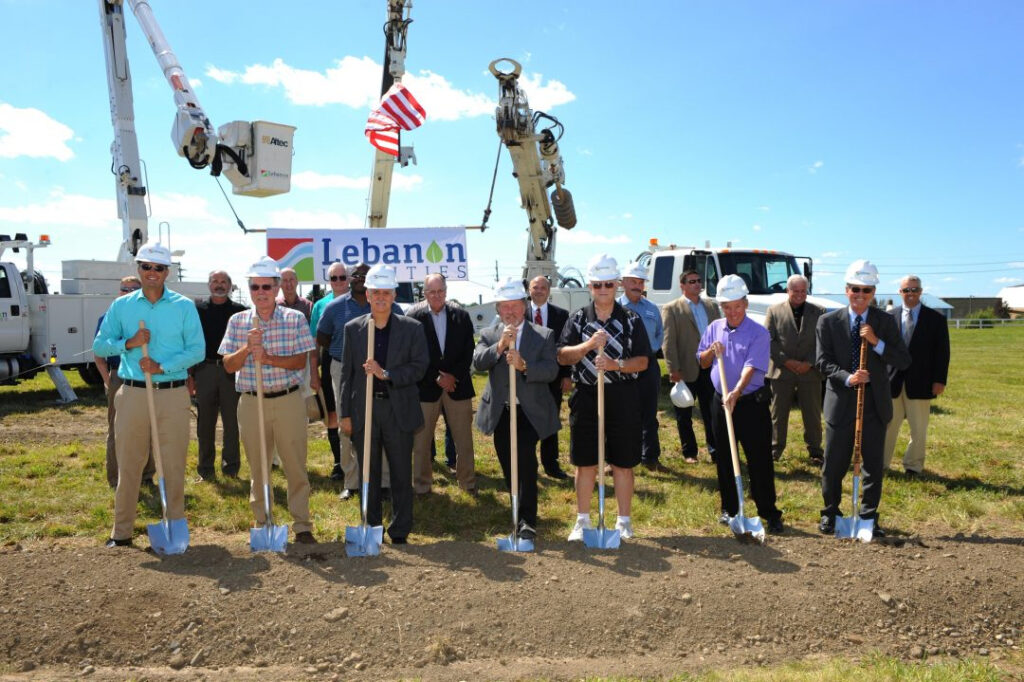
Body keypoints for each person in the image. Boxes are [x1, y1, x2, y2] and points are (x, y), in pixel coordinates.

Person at [92, 240, 204, 548]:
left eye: (158, 268)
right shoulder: (122, 306)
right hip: (132, 393)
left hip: (172, 393)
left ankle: (174, 525)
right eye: (146, 267)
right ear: (138, 269)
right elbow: (100, 346)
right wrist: (128, 343)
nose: (151, 272)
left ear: (167, 272)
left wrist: (162, 366)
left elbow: (197, 350)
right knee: (130, 462)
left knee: (173, 462)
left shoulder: (184, 307)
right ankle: (122, 531)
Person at [220, 257, 318, 544]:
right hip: (252, 402)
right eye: (254, 286)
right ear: (249, 289)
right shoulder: (237, 322)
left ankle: (302, 525)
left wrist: (269, 358)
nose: (260, 291)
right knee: (258, 466)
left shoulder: (295, 319)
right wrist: (247, 349)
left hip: (288, 400)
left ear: (277, 288)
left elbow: (301, 361)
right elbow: (227, 365)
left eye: (266, 286)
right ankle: (263, 522)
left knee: (295, 465)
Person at [558, 254, 649, 541]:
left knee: (623, 462)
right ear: (590, 286)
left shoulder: (632, 320)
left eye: (608, 284)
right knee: (585, 462)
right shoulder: (577, 318)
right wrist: (588, 345)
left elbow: (644, 361)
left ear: (617, 285)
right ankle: (582, 521)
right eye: (597, 285)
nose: (603, 289)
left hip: (622, 397)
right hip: (586, 395)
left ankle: (623, 521)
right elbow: (562, 356)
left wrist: (615, 365)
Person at [816, 259, 910, 537]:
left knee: (872, 465)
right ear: (846, 290)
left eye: (866, 290)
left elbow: (903, 359)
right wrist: (848, 377)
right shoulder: (828, 322)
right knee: (833, 463)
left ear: (873, 293)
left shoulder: (885, 322)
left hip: (875, 405)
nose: (860, 295)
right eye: (855, 289)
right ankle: (831, 513)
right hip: (840, 403)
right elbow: (822, 362)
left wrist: (877, 343)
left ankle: (868, 516)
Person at [338, 264, 428, 545]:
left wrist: (386, 373)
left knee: (401, 472)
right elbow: (347, 376)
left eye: (385, 293)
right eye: (375, 292)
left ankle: (400, 530)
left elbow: (420, 367)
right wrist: (344, 414)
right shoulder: (353, 329)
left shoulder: (412, 329)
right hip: (364, 410)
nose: (380, 298)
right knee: (369, 472)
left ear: (394, 295)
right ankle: (372, 525)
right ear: (367, 294)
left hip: (397, 408)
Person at [474, 277, 560, 541]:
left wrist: (524, 366)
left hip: (528, 412)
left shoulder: (543, 335)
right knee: (507, 463)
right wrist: (499, 347)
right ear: (497, 310)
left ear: (524, 306)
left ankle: (527, 522)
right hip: (501, 411)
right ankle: (516, 507)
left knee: (525, 461)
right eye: (504, 307)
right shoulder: (489, 335)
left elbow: (551, 370)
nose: (510, 312)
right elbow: (477, 362)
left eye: (514, 306)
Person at [697, 275, 784, 534]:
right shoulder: (714, 327)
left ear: (745, 303)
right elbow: (701, 362)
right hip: (719, 400)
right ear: (721, 306)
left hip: (749, 403)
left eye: (737, 306)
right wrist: (712, 352)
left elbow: (751, 367)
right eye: (727, 307)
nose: (732, 312)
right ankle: (730, 509)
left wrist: (736, 392)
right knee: (724, 455)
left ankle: (769, 511)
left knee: (758, 458)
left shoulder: (759, 332)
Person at [318, 262, 399, 499]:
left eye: (365, 275)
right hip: (343, 369)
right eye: (356, 275)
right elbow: (322, 337)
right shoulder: (333, 308)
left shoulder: (388, 306)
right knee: (347, 423)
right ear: (350, 279)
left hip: (380, 370)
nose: (360, 279)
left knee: (381, 421)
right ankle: (351, 483)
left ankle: (383, 483)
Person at [408, 274, 477, 495]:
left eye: (440, 291)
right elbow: (413, 355)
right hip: (425, 388)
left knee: (464, 440)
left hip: (458, 387)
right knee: (421, 442)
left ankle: (467, 483)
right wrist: (437, 378)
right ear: (424, 294)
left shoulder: (462, 316)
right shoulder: (413, 318)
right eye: (431, 292)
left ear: (446, 291)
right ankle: (421, 485)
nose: (436, 296)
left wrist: (452, 377)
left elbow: (468, 352)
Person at [883, 275, 950, 476]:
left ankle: (913, 465)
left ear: (921, 292)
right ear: (899, 292)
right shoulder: (888, 318)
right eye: (906, 290)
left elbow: (942, 352)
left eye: (914, 290)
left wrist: (939, 380)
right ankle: (881, 465)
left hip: (922, 382)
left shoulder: (935, 319)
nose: (910, 294)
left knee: (918, 429)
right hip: (891, 381)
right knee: (887, 426)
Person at [94, 275, 154, 489]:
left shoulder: (151, 317)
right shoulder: (108, 318)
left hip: (149, 375)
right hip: (119, 375)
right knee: (118, 429)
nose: (127, 292)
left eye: (132, 289)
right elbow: (99, 354)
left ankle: (146, 475)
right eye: (124, 289)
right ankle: (116, 478)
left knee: (149, 427)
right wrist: (108, 381)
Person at [191, 270, 248, 481]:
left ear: (230, 285)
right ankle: (205, 468)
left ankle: (231, 467)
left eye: (224, 281)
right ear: (208, 285)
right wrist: (191, 374)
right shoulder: (197, 311)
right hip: (204, 370)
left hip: (231, 372)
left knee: (232, 422)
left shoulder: (240, 311)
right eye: (215, 281)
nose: (219, 285)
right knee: (205, 422)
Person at [764, 274, 826, 464]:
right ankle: (774, 450)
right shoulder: (774, 311)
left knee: (813, 414)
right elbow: (768, 340)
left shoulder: (819, 311)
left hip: (810, 372)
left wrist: (808, 362)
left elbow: (823, 342)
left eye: (803, 291)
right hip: (782, 371)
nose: (799, 295)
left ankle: (815, 451)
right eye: (795, 291)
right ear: (787, 291)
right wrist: (786, 361)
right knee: (778, 414)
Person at [661, 269, 720, 464]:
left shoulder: (711, 306)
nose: (696, 284)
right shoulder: (672, 308)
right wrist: (673, 369)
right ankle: (690, 452)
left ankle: (715, 450)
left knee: (712, 411)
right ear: (682, 285)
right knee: (684, 413)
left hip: (710, 368)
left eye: (698, 281)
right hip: (685, 369)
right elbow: (668, 342)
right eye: (691, 281)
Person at [618, 261, 665, 471]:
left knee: (649, 413)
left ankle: (650, 457)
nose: (637, 285)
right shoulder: (615, 308)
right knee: (620, 413)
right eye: (633, 281)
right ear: (623, 283)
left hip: (649, 366)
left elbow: (659, 334)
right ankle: (618, 458)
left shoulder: (653, 309)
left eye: (640, 282)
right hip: (622, 366)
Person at [527, 275, 571, 480]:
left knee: (551, 421)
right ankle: (528, 464)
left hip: (552, 377)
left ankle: (551, 464)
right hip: (524, 378)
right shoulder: (520, 313)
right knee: (526, 422)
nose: (539, 290)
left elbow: (566, 347)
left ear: (549, 290)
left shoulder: (561, 315)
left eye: (543, 287)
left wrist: (567, 375)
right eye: (535, 287)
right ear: (529, 290)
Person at [310, 262, 348, 481]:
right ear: (328, 280)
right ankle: (339, 463)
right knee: (332, 414)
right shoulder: (320, 305)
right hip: (328, 360)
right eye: (334, 278)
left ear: (349, 279)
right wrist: (314, 372)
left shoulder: (360, 300)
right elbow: (315, 343)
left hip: (355, 363)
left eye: (342, 277)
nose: (338, 282)